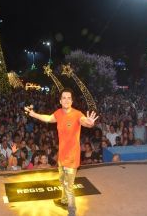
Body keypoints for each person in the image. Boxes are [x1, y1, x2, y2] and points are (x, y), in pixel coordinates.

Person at [24, 88, 98, 216]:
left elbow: (84, 122)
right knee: (62, 180)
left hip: (72, 157)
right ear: (60, 100)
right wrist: (33, 114)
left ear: (72, 100)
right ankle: (64, 201)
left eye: (69, 98)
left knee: (69, 186)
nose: (66, 100)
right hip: (62, 155)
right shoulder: (58, 113)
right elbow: (48, 118)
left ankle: (72, 211)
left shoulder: (77, 114)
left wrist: (90, 123)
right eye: (64, 97)